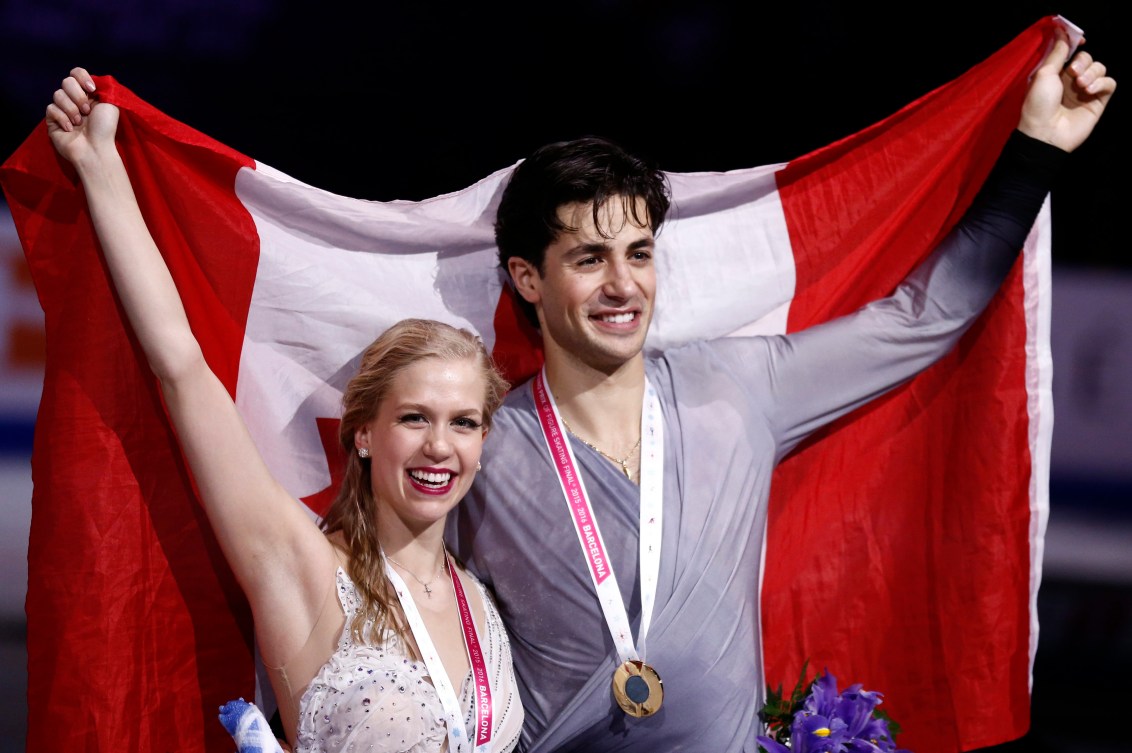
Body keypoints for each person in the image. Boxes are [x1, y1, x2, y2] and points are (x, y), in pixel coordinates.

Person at [446, 25, 1116, 752]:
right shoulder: (478, 447)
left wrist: (1037, 149)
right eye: (589, 258)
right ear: (527, 279)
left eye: (639, 253)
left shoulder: (735, 387)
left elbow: (927, 316)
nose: (622, 284)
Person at [45, 70, 524, 753]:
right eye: (414, 418)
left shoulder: (482, 603)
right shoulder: (296, 560)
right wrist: (99, 167)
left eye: (464, 421)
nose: (439, 446)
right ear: (363, 434)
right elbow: (181, 368)